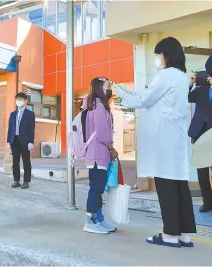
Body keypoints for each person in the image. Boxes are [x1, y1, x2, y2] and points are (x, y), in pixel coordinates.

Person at [114, 37, 196, 247]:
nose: (157, 59)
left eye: (158, 54)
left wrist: (121, 95)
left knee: (166, 184)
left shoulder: (165, 75)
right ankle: (185, 234)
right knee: (180, 185)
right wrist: (129, 93)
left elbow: (145, 99)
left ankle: (169, 235)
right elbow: (150, 96)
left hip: (164, 140)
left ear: (166, 54)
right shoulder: (182, 77)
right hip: (176, 140)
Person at [82, 77, 118, 234]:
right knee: (96, 188)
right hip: (98, 154)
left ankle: (99, 219)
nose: (109, 89)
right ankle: (90, 221)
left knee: (98, 188)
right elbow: (103, 133)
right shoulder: (98, 107)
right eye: (107, 87)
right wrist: (111, 148)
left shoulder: (97, 106)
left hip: (98, 154)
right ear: (99, 89)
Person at [188, 55, 212, 213]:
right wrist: (189, 85)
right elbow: (185, 98)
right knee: (202, 171)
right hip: (199, 132)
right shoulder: (200, 90)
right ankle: (207, 202)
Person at [7, 92, 35, 189]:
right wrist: (8, 141)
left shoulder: (30, 114)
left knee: (26, 161)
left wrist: (31, 141)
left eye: (21, 99)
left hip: (25, 141)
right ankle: (16, 180)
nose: (19, 101)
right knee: (15, 161)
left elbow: (32, 129)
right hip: (14, 140)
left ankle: (26, 181)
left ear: (25, 100)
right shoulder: (13, 114)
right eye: (17, 99)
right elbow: (10, 128)